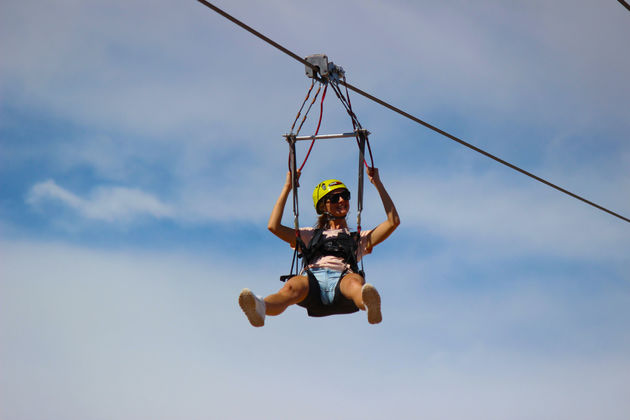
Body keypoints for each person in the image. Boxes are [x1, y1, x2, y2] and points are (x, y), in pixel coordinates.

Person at [238, 167, 400, 327]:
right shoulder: (309, 235)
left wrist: (378, 183)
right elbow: (273, 226)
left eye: (345, 196)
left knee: (354, 282)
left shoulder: (358, 239)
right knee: (291, 287)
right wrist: (288, 187)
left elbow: (393, 222)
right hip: (312, 281)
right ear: (323, 206)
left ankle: (369, 304)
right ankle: (260, 307)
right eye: (335, 198)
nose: (342, 200)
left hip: (342, 280)